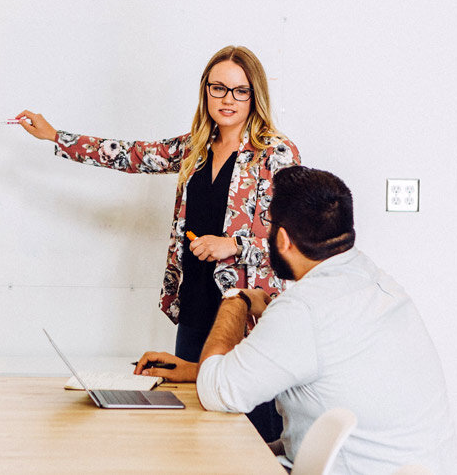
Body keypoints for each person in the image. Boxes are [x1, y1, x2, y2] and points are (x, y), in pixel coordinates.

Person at [18, 45, 299, 441]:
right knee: (192, 418)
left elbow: (292, 239)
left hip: (243, 306)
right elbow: (131, 155)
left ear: (255, 96)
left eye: (240, 90)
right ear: (205, 91)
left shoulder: (275, 153)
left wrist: (232, 245)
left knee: (245, 420)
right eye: (219, 88)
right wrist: (55, 135)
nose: (228, 100)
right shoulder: (194, 147)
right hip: (195, 296)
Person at [185, 166, 455, 472]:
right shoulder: (374, 280)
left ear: (283, 239)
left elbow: (215, 391)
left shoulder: (303, 310)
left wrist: (238, 298)